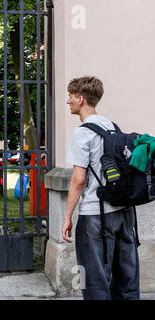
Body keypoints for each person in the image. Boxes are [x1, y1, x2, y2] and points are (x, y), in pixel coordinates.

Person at [61, 76, 140, 300]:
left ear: (81, 98)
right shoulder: (113, 127)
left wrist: (68, 216)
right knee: (126, 279)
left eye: (70, 96)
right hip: (124, 213)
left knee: (91, 278)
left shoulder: (82, 133)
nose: (68, 102)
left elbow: (78, 179)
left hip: (95, 216)